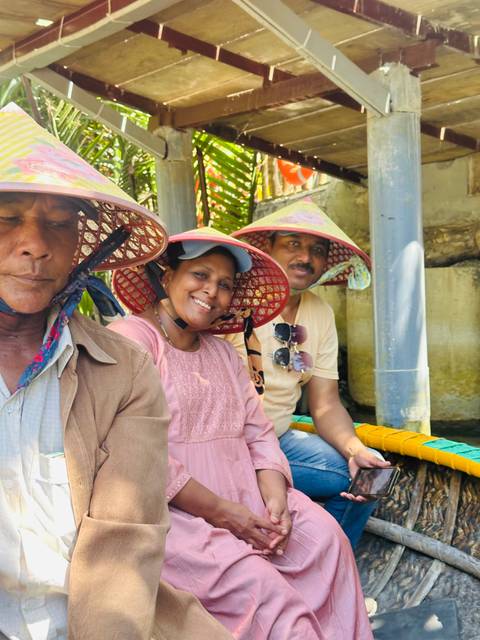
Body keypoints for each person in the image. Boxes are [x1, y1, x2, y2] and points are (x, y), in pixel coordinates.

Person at [0, 104, 233, 640]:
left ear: (79, 248)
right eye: (8, 217)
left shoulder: (123, 369)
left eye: (58, 224)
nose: (35, 243)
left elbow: (124, 541)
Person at [110, 227, 373, 640]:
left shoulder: (221, 352)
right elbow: (136, 456)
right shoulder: (132, 341)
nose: (211, 292)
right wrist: (223, 513)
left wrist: (275, 496)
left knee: (328, 540)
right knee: (268, 597)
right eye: (199, 275)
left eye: (224, 285)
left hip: (245, 497)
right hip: (174, 515)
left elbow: (260, 432)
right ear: (167, 277)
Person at [230, 199, 390, 548]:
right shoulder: (233, 299)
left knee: (368, 478)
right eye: (293, 244)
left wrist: (354, 449)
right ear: (268, 248)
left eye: (317, 250)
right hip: (228, 444)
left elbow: (325, 404)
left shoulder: (320, 313)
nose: (305, 257)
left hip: (280, 439)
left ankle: (327, 568)